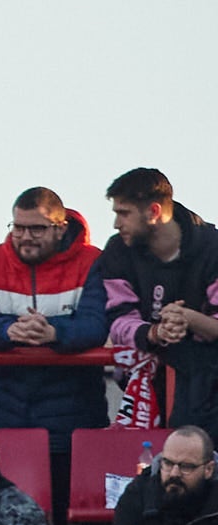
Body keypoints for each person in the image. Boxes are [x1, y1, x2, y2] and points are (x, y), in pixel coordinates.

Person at [105, 168, 218, 436]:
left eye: (124, 213)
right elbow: (116, 319)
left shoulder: (212, 248)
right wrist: (156, 332)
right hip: (147, 393)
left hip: (209, 390)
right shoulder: (117, 251)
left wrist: (188, 319)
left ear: (154, 211)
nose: (116, 224)